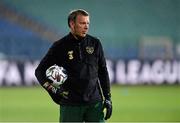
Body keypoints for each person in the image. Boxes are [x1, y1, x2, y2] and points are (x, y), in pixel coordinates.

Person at [35, 9, 112, 122]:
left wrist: (108, 98)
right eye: (82, 23)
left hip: (94, 104)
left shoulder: (95, 43)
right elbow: (39, 71)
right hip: (70, 105)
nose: (86, 26)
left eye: (87, 23)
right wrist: (54, 91)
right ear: (72, 24)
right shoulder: (60, 46)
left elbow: (103, 71)